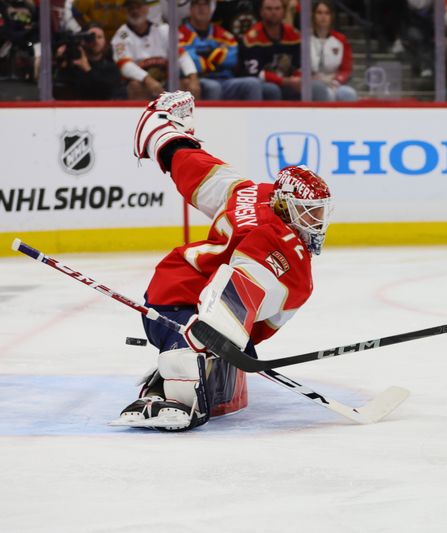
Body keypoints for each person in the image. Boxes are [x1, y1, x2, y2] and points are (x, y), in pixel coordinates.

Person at [112, 90, 334, 431]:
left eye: (320, 213)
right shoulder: (282, 248)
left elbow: (191, 166)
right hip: (177, 304)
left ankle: (184, 361)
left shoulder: (253, 192)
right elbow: (237, 297)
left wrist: (163, 134)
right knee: (190, 354)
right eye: (309, 213)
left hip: (171, 287)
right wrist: (227, 342)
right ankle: (176, 391)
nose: (316, 223)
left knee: (209, 340)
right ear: (285, 206)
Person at [111, 0, 200, 99]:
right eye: (131, 8)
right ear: (125, 11)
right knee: (135, 86)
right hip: (141, 82)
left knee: (189, 85)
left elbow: (181, 55)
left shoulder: (163, 30)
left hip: (166, 81)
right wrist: (147, 79)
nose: (135, 11)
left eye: (138, 6)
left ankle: (189, 114)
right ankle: (142, 115)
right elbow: (125, 66)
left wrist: (193, 77)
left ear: (147, 8)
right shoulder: (121, 36)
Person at [178, 0, 262, 100]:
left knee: (253, 84)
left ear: (211, 8)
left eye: (205, 4)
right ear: (190, 9)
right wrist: (218, 55)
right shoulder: (180, 34)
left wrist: (205, 55)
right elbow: (189, 62)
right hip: (198, 80)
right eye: (196, 4)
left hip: (225, 80)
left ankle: (252, 116)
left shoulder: (222, 34)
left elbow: (232, 59)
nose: (201, 8)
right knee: (213, 87)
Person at [239, 0, 301, 100]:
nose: (273, 12)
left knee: (313, 87)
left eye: (277, 9)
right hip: (262, 83)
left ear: (283, 12)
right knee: (272, 90)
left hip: (289, 81)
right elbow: (254, 73)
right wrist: (284, 81)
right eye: (269, 9)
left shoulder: (293, 35)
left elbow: (300, 65)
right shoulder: (252, 38)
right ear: (261, 12)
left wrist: (298, 79)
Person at [54, 22, 124, 100]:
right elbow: (59, 91)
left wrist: (87, 69)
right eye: (91, 37)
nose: (96, 41)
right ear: (83, 41)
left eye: (99, 37)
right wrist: (61, 66)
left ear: (105, 42)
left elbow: (105, 93)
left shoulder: (111, 68)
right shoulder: (73, 65)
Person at [309, 0, 357, 101]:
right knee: (327, 94)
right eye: (319, 13)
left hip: (334, 82)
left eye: (327, 13)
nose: (323, 16)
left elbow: (346, 69)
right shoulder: (305, 39)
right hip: (312, 83)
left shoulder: (340, 39)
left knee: (349, 94)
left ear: (332, 17)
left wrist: (337, 81)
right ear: (313, 15)